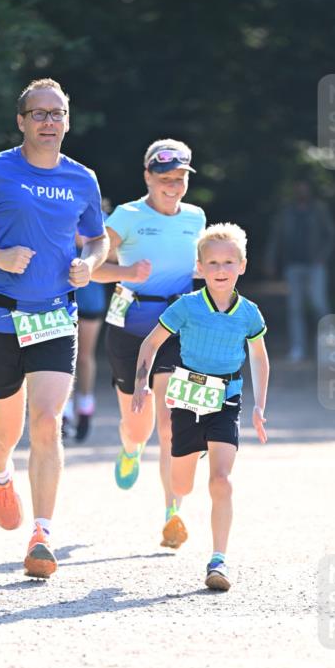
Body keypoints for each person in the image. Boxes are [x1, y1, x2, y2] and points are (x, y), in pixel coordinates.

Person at [0, 78, 108, 578]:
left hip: (55, 313)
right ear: (22, 121)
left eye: (58, 113)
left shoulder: (83, 179)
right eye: (40, 114)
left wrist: (90, 265)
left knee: (48, 421)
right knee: (6, 430)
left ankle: (42, 536)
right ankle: (0, 470)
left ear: (68, 120)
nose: (50, 122)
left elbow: (96, 241)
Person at [131, 223, 269, 592]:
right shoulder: (187, 306)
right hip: (187, 398)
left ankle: (219, 560)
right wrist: (142, 382)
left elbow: (259, 356)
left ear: (242, 265)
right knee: (182, 484)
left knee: (221, 481)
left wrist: (259, 407)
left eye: (228, 262)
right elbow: (151, 343)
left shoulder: (249, 313)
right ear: (200, 267)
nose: (221, 270)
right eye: (212, 263)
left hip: (227, 399)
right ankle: (176, 504)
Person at [91, 139, 206, 549]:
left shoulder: (196, 217)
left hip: (176, 328)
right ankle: (129, 447)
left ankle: (172, 513)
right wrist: (127, 271)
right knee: (138, 426)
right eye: (165, 179)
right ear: (148, 177)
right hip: (131, 326)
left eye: (180, 179)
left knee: (172, 425)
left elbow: (197, 264)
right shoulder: (127, 216)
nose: (173, 187)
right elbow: (91, 269)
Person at [265, 181, 335, 363]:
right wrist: (271, 260)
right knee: (294, 307)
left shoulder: (319, 209)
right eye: (298, 188)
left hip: (315, 265)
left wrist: (323, 256)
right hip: (293, 265)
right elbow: (277, 237)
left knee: (319, 304)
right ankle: (298, 348)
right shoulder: (287, 211)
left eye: (304, 188)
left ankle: (331, 349)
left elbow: (331, 234)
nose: (301, 191)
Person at [62, 198, 112, 444]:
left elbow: (94, 245)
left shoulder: (99, 217)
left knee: (84, 355)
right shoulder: (55, 209)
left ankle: (85, 406)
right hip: (60, 294)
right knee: (63, 355)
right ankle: (64, 411)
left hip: (90, 295)